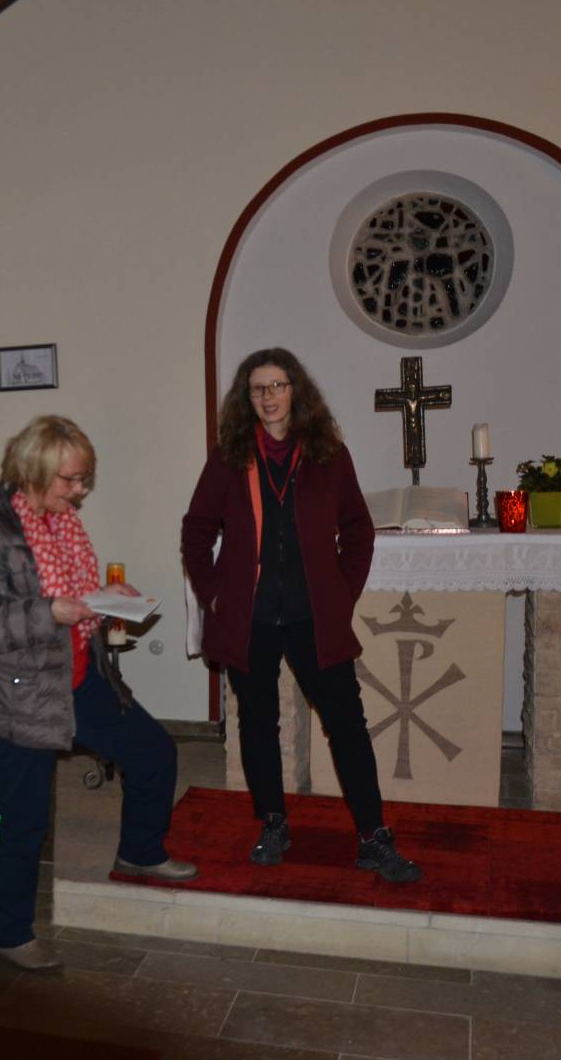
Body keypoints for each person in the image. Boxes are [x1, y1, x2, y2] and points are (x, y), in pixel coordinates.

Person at [0, 414, 198, 974]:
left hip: (75, 677)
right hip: (13, 694)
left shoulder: (59, 522)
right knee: (26, 817)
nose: (79, 492)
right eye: (70, 481)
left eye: (83, 479)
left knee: (154, 752)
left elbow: (69, 589)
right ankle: (8, 934)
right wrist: (50, 612)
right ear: (32, 472)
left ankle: (140, 852)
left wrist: (103, 598)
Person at [181, 349, 421, 883]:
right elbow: (197, 531)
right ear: (248, 398)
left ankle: (373, 838)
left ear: (296, 391)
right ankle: (273, 823)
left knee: (348, 725)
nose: (268, 397)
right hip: (251, 619)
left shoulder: (327, 453)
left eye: (278, 386)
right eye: (258, 388)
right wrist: (214, 593)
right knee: (259, 724)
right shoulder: (229, 456)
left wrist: (341, 591)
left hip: (315, 616)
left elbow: (358, 529)